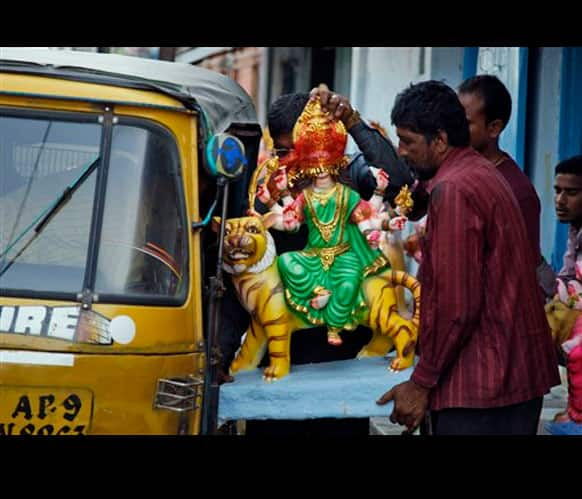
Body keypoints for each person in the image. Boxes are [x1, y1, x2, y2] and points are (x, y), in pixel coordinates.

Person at [376, 80, 560, 435]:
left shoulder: (455, 189)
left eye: (408, 142)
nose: (401, 151)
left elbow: (457, 306)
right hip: (504, 378)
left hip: (483, 386)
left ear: (440, 141)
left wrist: (422, 382)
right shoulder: (475, 171)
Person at [239, 85, 417, 436]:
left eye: (298, 149)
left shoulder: (348, 175)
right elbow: (243, 270)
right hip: (280, 356)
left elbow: (398, 184)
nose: (292, 160)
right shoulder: (266, 189)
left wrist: (351, 121)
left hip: (341, 363)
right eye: (282, 150)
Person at [458, 74, 555, 298]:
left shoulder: (516, 191)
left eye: (466, 123)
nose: (455, 129)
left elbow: (521, 275)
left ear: (494, 128)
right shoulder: (458, 171)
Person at [546, 155, 582, 431]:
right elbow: (568, 273)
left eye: (571, 193)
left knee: (577, 350)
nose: (560, 200)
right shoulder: (575, 229)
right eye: (558, 191)